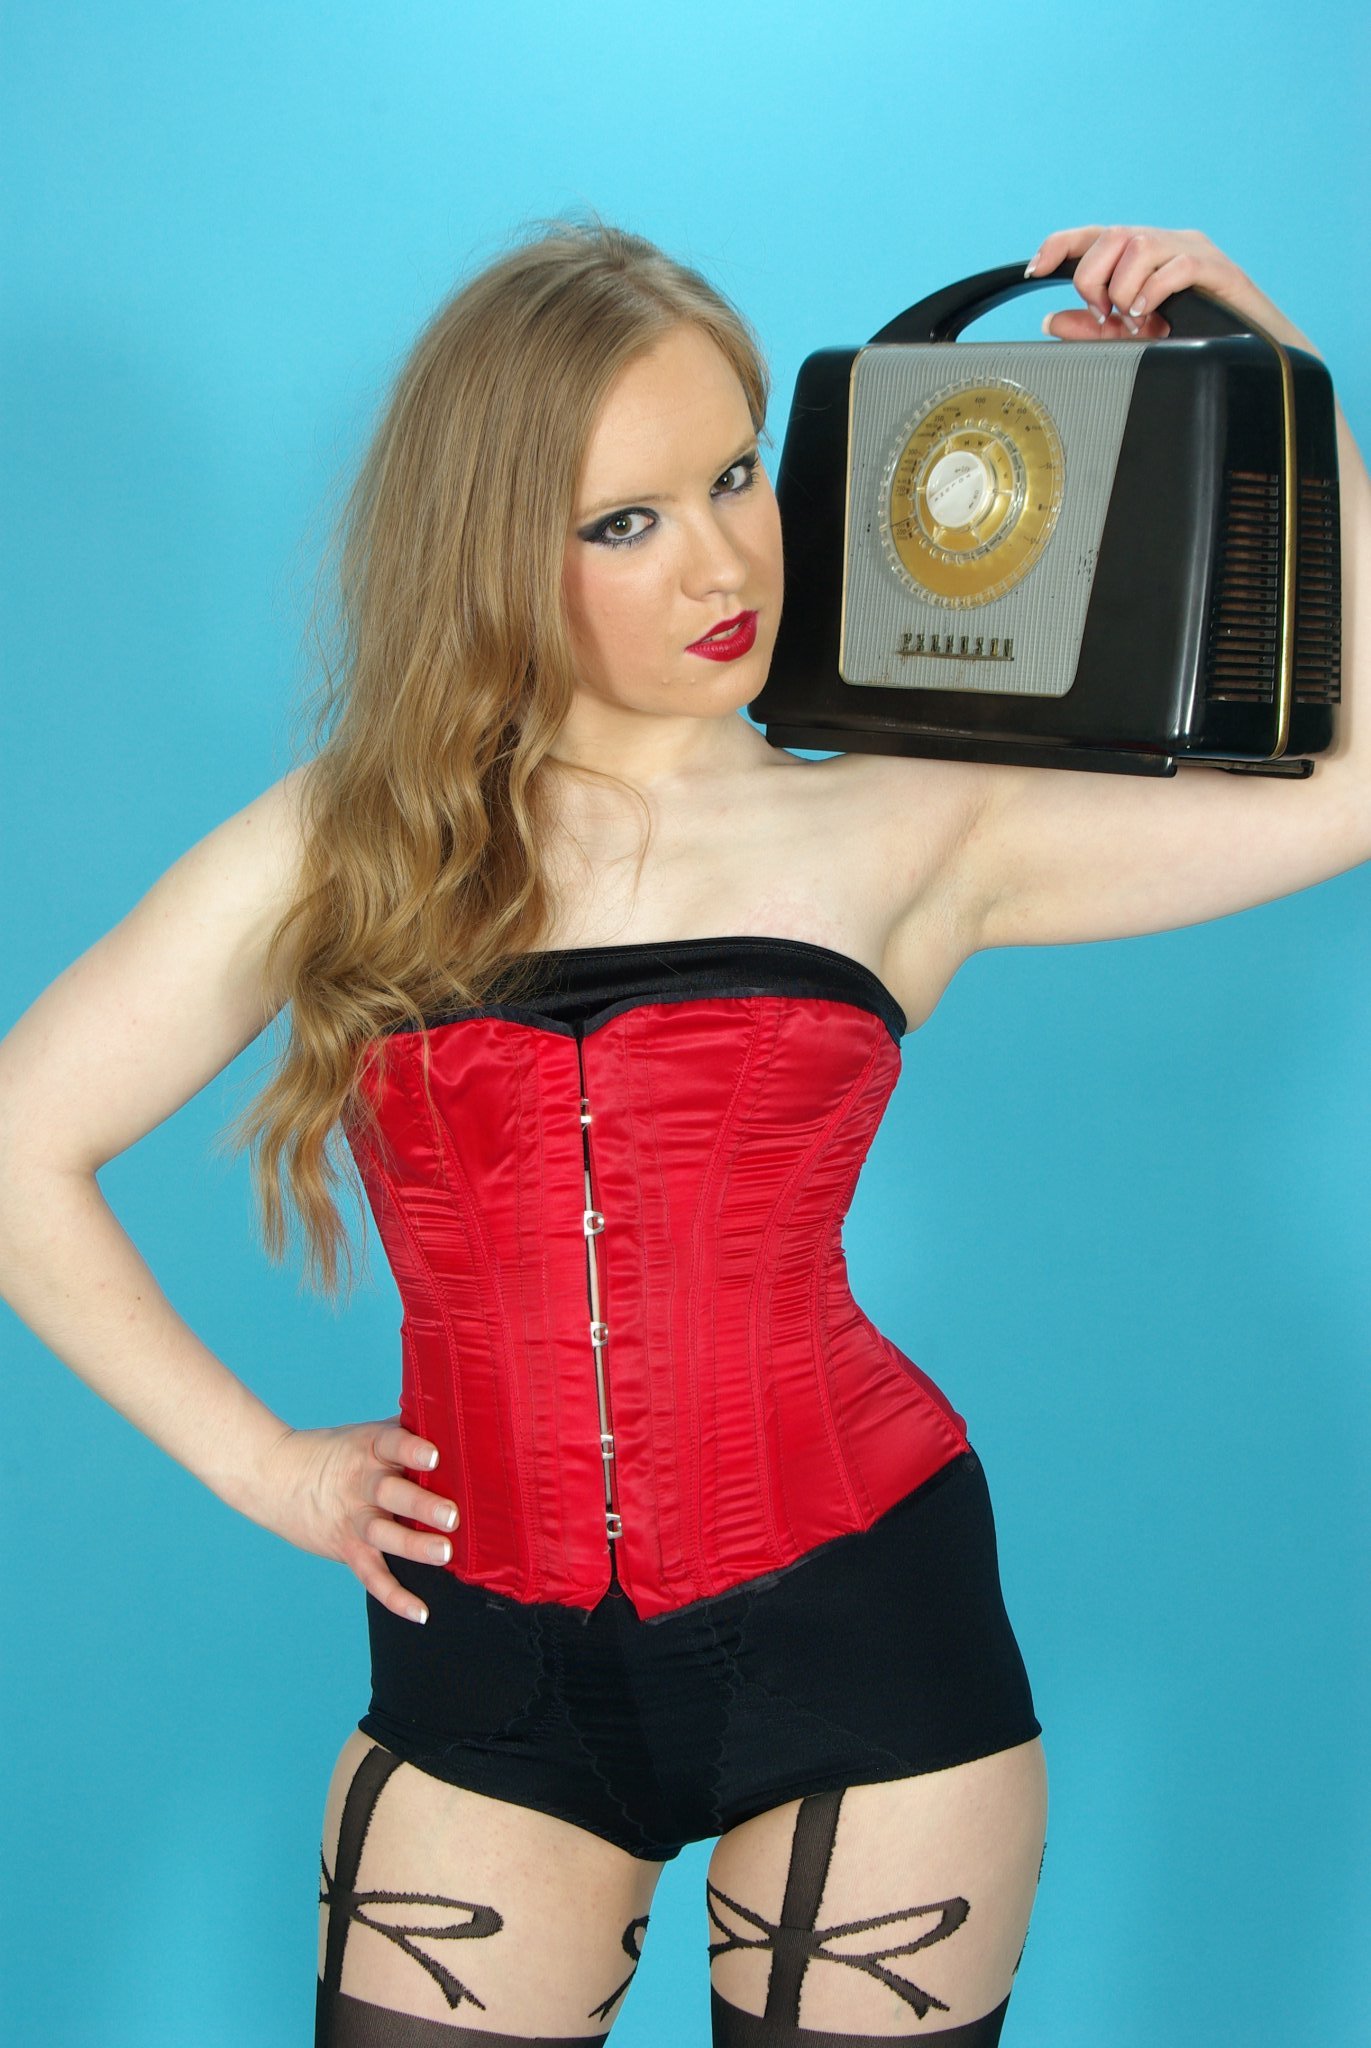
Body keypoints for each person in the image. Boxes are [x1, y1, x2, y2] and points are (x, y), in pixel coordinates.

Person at [0, 215, 1364, 2048]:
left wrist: (1277, 378)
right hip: (484, 1677)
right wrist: (268, 1470)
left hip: (867, 1633)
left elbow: (1351, 786)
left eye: (735, 476)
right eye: (624, 522)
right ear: (495, 552)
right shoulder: (352, 837)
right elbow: (17, 1146)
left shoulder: (916, 821)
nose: (724, 562)